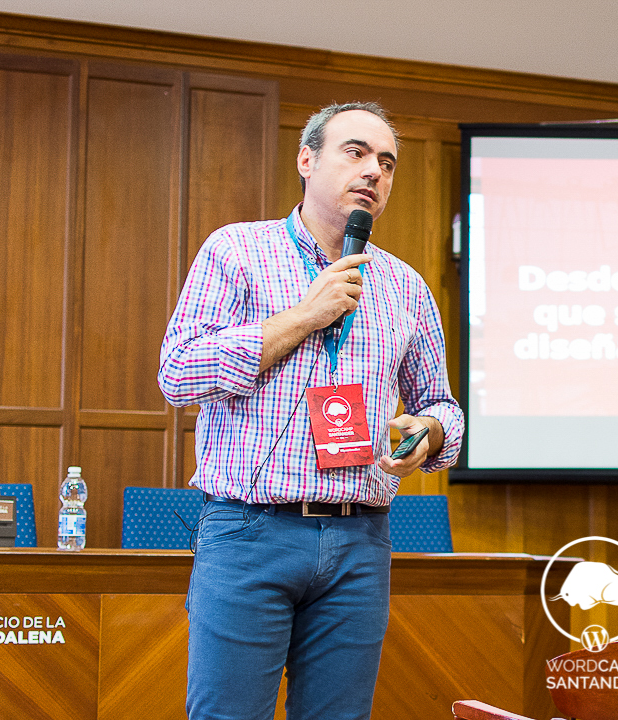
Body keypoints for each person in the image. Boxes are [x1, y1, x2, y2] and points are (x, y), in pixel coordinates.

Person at [159, 102, 463, 720]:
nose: (373, 171)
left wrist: (427, 433)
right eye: (356, 152)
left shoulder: (405, 286)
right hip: (250, 533)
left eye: (387, 162)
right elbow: (179, 372)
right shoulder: (237, 251)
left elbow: (443, 406)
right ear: (306, 159)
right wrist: (304, 316)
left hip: (359, 541)